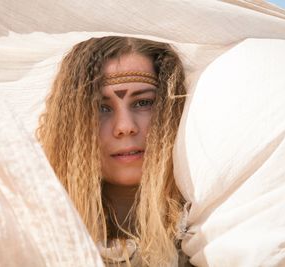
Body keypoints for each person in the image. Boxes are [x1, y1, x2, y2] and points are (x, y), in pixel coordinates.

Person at [37, 36, 187, 266]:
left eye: (143, 103)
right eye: (101, 108)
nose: (125, 127)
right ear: (71, 128)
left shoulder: (208, 231)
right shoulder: (36, 237)